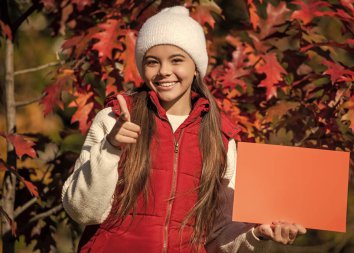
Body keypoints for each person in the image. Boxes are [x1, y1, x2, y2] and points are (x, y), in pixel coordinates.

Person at [62, 6, 306, 253]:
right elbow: (82, 211)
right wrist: (110, 148)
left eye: (176, 60)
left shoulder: (219, 137)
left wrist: (256, 235)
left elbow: (217, 235)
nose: (164, 71)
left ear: (196, 66)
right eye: (152, 62)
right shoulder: (115, 118)